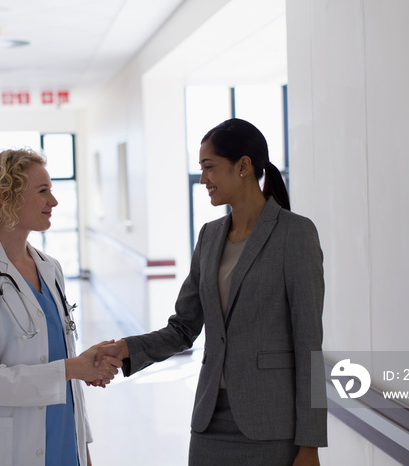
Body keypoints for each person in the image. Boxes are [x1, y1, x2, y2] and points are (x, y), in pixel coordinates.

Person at [95, 118, 327, 465]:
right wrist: (128, 348)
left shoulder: (295, 234)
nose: (203, 179)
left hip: (273, 426)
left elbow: (309, 343)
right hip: (209, 422)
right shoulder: (209, 236)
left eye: (209, 167)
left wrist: (309, 445)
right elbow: (184, 327)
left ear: (244, 166)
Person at [0, 148, 122, 466]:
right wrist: (74, 367)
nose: (53, 202)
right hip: (10, 448)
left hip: (63, 435)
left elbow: (60, 362)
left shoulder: (50, 269)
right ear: (6, 197)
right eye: (43, 192)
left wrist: (83, 448)